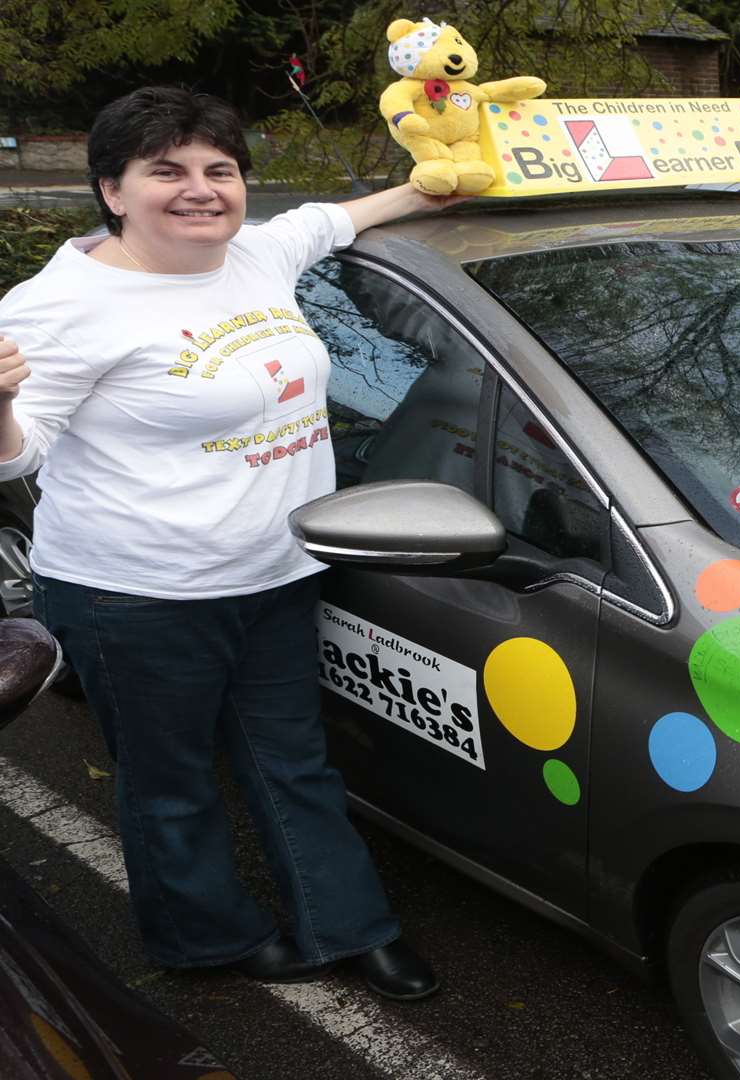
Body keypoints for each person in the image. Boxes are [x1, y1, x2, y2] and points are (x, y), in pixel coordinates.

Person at [0, 86, 462, 1000]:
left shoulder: (254, 253)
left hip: (277, 570)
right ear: (112, 190)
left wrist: (446, 184)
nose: (199, 189)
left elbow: (339, 216)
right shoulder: (57, 305)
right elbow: (22, 455)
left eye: (219, 169)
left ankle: (352, 928)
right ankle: (203, 938)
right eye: (165, 170)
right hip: (135, 593)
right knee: (169, 784)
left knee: (292, 760)